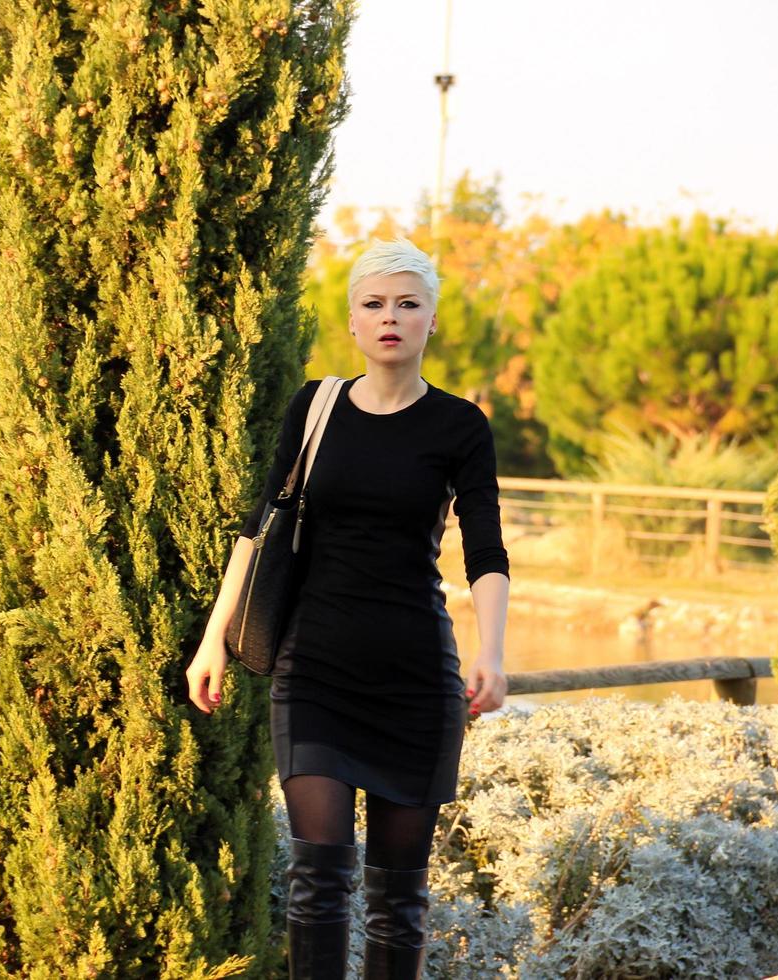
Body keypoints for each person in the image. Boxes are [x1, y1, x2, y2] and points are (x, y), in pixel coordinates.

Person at [185, 237, 511, 979]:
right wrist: (214, 640)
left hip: (415, 680)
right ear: (354, 323)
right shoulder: (315, 406)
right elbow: (257, 526)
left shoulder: (461, 427)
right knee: (318, 883)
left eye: (407, 303)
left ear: (432, 321)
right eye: (374, 304)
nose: (389, 316)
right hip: (314, 671)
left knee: (398, 901)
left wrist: (492, 654)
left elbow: (486, 554)